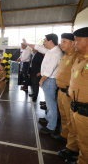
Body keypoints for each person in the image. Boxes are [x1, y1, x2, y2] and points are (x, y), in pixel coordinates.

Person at [23, 34, 63, 134]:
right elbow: (38, 47)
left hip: (49, 80)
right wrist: (27, 43)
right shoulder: (51, 51)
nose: (44, 43)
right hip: (48, 80)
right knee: (49, 102)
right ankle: (48, 118)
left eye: (45, 41)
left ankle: (51, 126)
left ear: (50, 41)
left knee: (51, 104)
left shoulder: (55, 53)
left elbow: (49, 70)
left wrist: (42, 80)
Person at [51, 33, 80, 162]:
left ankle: (72, 148)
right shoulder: (65, 55)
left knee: (71, 121)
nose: (61, 44)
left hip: (69, 93)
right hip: (61, 91)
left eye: (64, 41)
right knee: (64, 117)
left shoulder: (76, 56)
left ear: (73, 43)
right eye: (61, 41)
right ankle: (65, 136)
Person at [67, 27, 88, 164]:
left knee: (86, 141)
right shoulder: (80, 59)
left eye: (77, 40)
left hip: (85, 110)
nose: (75, 43)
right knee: (81, 139)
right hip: (76, 106)